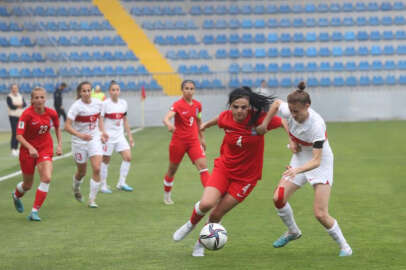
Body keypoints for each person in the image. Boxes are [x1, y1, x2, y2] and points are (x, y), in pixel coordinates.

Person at [172, 86, 284, 257]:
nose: (239, 111)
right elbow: (220, 119)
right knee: (206, 204)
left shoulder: (259, 119)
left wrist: (292, 140)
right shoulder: (227, 117)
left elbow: (283, 122)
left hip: (246, 179)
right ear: (230, 106)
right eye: (235, 106)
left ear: (250, 107)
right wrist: (205, 126)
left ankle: (200, 244)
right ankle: (190, 225)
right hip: (224, 168)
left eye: (243, 107)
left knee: (217, 214)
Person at [256, 81, 353, 257]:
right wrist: (267, 126)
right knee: (278, 198)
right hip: (301, 156)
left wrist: (297, 170)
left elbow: (316, 160)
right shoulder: (289, 110)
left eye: (296, 111)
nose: (292, 114)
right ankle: (293, 231)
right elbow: (277, 104)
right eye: (291, 110)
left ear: (307, 106)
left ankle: (345, 247)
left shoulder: (316, 125)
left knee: (320, 214)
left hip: (320, 160)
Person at [11, 87, 62, 221]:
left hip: (45, 149)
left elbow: (57, 127)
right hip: (27, 152)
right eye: (36, 98)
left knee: (46, 178)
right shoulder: (26, 114)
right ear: (32, 100)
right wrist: (30, 147)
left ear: (45, 99)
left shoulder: (51, 113)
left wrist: (59, 145)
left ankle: (34, 212)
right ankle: (16, 196)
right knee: (27, 185)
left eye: (42, 97)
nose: (39, 100)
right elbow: (19, 136)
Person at [162, 80, 209, 205]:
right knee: (172, 170)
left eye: (191, 88)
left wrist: (202, 138)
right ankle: (167, 195)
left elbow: (198, 121)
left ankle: (211, 197)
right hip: (178, 142)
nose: (189, 91)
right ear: (182, 90)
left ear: (194, 90)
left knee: (203, 167)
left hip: (193, 141)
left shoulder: (198, 105)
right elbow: (166, 118)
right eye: (186, 88)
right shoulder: (177, 104)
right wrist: (169, 124)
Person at [64, 81, 108, 208]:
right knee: (81, 172)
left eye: (89, 90)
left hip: (94, 140)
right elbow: (66, 126)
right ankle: (76, 187)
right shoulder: (76, 107)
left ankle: (92, 199)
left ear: (92, 91)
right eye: (84, 91)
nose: (87, 93)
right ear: (80, 93)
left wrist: (102, 132)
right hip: (79, 142)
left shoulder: (99, 104)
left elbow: (99, 119)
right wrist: (80, 135)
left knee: (97, 168)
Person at [100, 81, 134, 193]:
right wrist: (103, 133)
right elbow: (100, 120)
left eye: (117, 89)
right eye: (113, 90)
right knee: (105, 161)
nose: (115, 92)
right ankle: (103, 185)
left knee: (128, 157)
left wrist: (130, 136)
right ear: (110, 91)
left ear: (119, 91)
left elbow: (125, 120)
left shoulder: (123, 103)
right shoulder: (105, 104)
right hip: (108, 137)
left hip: (120, 136)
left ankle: (121, 183)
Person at [7, 84, 27, 156]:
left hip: (21, 117)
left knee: (19, 133)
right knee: (14, 132)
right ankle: (13, 149)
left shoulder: (20, 96)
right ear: (11, 89)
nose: (14, 89)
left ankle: (16, 148)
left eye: (16, 88)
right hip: (13, 117)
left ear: (18, 89)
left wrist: (17, 104)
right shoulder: (9, 96)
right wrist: (19, 105)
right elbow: (11, 106)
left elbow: (24, 104)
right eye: (13, 88)